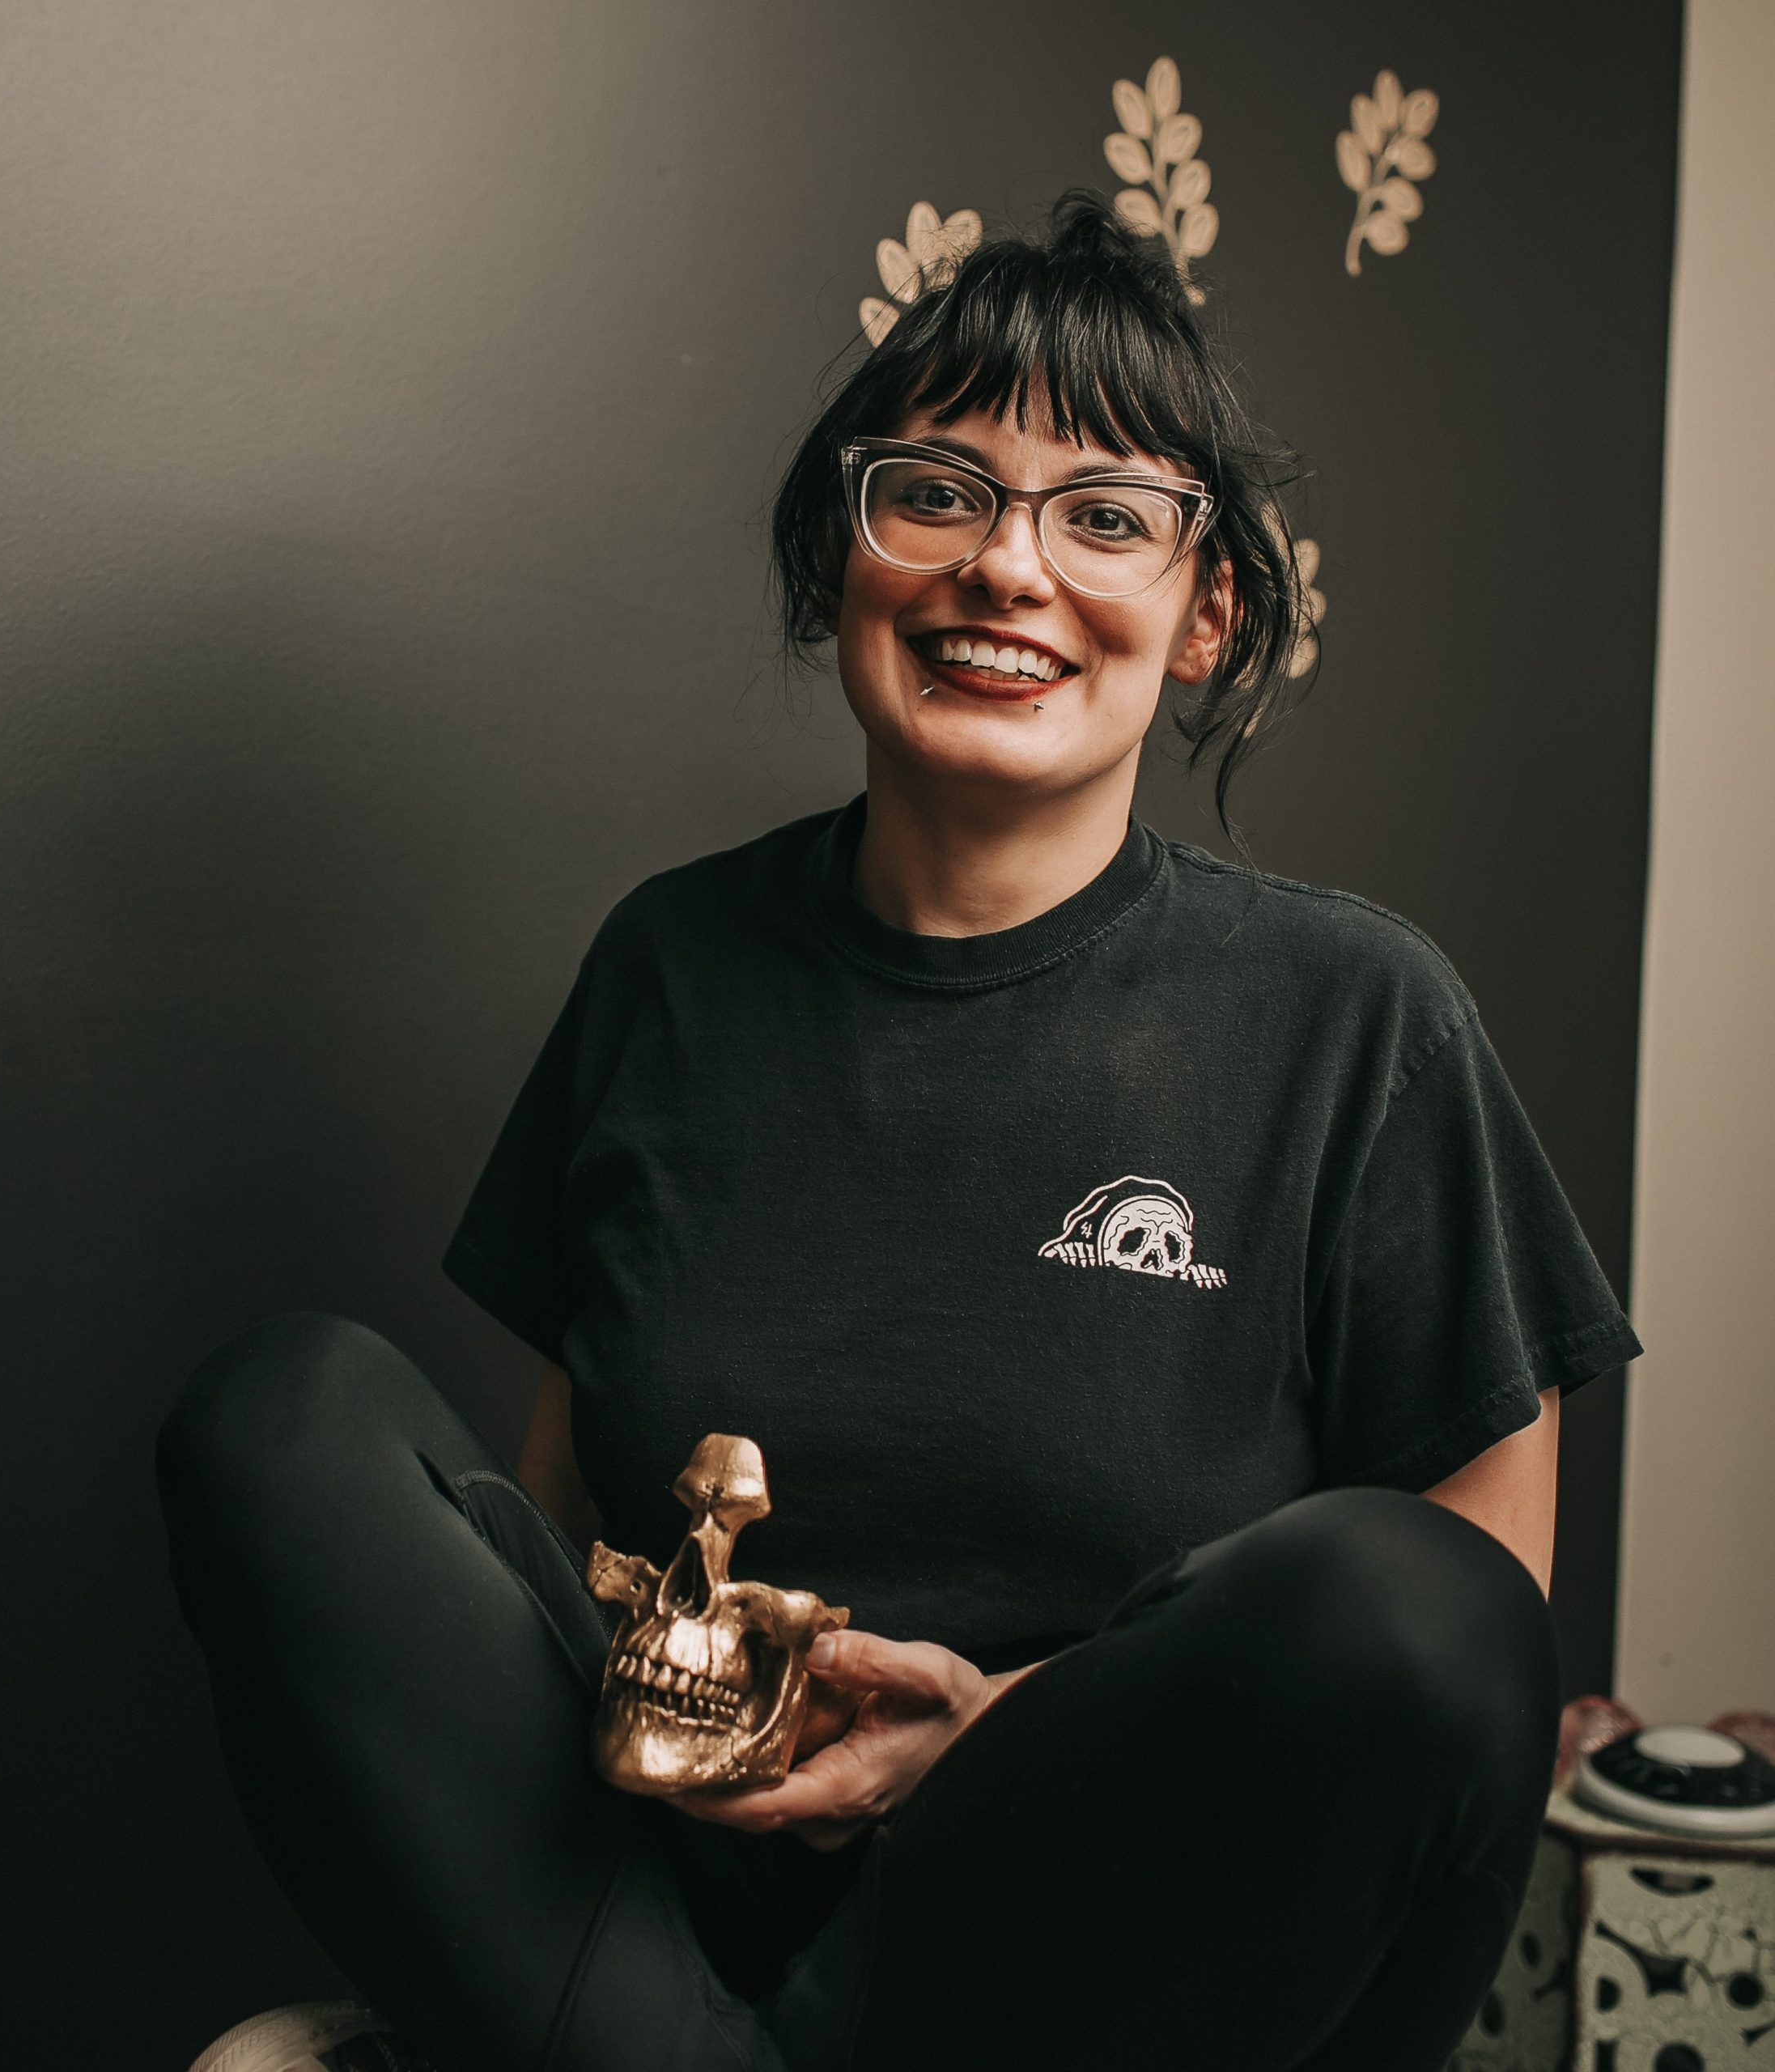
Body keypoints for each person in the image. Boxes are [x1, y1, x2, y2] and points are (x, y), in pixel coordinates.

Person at [157, 191, 1640, 2072]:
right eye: (934, 489)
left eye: (1104, 515)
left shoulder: (1358, 1017)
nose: (1004, 568)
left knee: (1416, 1610)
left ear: (1208, 617)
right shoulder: (670, 964)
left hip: (1093, 1952)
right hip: (653, 1901)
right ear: (839, 556)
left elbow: (1470, 1649)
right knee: (284, 1412)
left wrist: (996, 1730)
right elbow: (563, 1521)